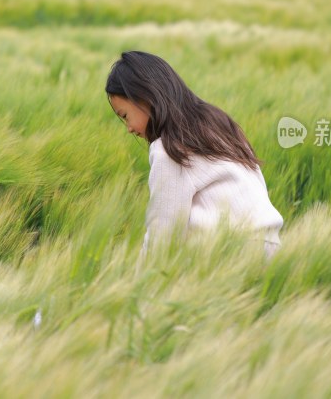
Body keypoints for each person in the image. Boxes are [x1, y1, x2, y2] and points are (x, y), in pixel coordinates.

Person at [105, 51, 283, 261]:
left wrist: (137, 286)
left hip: (231, 252)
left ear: (144, 98)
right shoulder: (218, 123)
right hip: (269, 245)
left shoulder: (170, 149)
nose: (129, 128)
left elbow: (163, 236)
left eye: (125, 116)